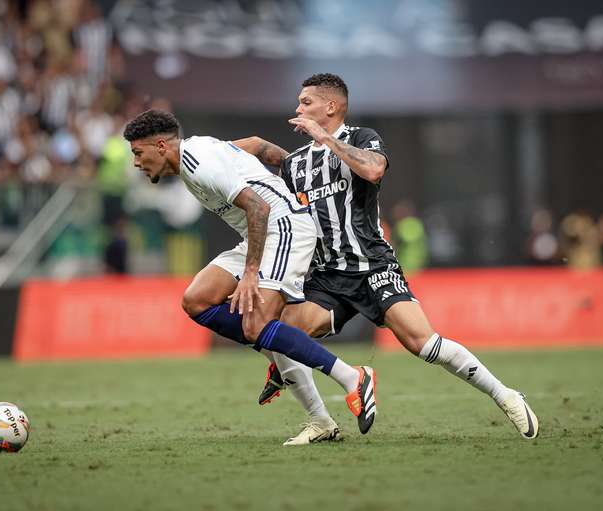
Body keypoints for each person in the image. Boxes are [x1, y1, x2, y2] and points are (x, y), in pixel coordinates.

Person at [238, 73, 539, 440]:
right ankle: (320, 421)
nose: (297, 109)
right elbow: (258, 156)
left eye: (306, 102)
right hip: (327, 275)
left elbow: (373, 169)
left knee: (423, 344)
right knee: (275, 333)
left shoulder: (362, 138)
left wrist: (326, 138)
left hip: (372, 266)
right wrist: (196, 152)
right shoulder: (296, 163)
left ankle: (505, 395)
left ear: (331, 106)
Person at [122, 109, 376, 444]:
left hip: (285, 228)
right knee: (196, 300)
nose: (137, 163)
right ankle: (299, 386)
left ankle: (352, 377)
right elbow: (256, 146)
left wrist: (251, 272)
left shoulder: (200, 163)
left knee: (256, 324)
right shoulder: (199, 151)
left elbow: (259, 207)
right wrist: (297, 177)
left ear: (160, 146)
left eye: (138, 153)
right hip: (261, 235)